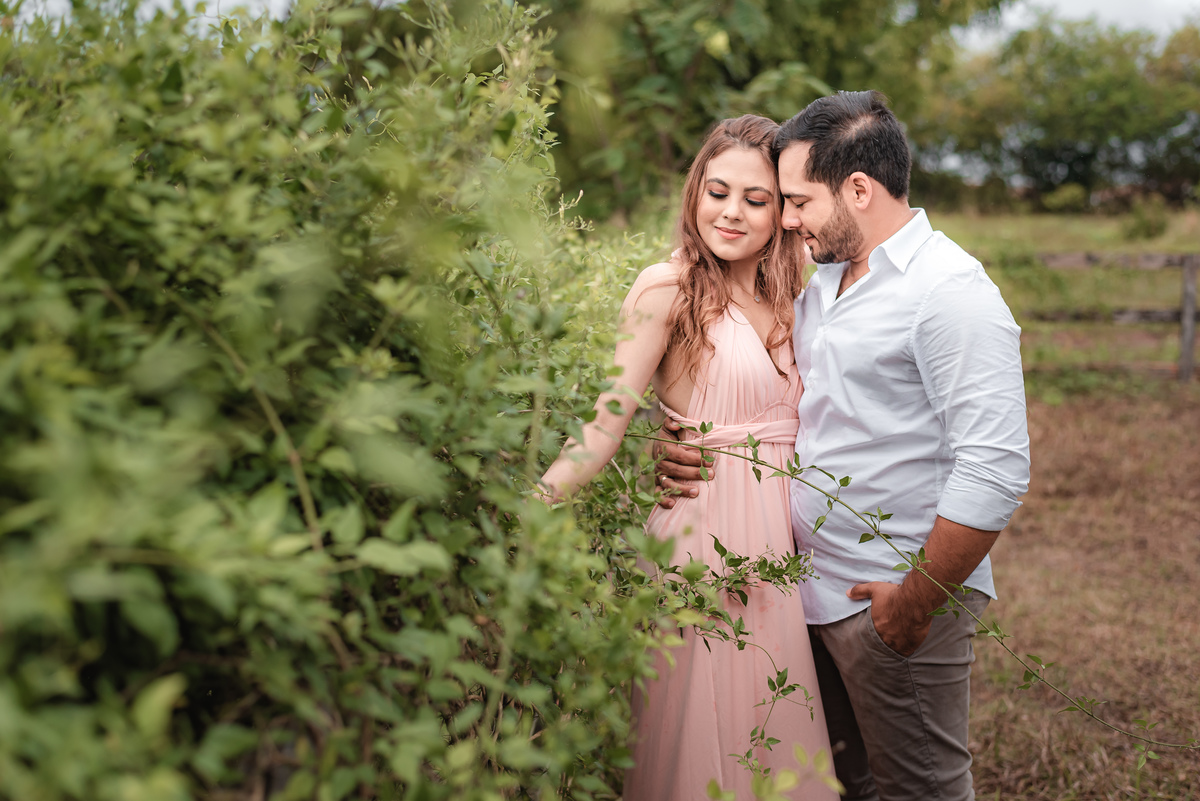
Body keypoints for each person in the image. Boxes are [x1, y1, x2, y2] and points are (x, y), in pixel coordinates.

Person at [656, 91, 1031, 801]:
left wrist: (916, 600)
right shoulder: (820, 280)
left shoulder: (949, 293)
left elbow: (997, 467)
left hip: (888, 600)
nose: (785, 219)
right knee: (840, 785)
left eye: (796, 201)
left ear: (858, 189)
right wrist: (676, 437)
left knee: (919, 789)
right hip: (802, 594)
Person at [539, 115, 837, 801]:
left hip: (783, 559)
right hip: (704, 548)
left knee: (774, 738)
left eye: (756, 199)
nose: (731, 212)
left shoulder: (795, 295)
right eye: (717, 191)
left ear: (782, 214)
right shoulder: (666, 288)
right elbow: (606, 423)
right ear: (693, 192)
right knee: (703, 748)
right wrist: (536, 503)